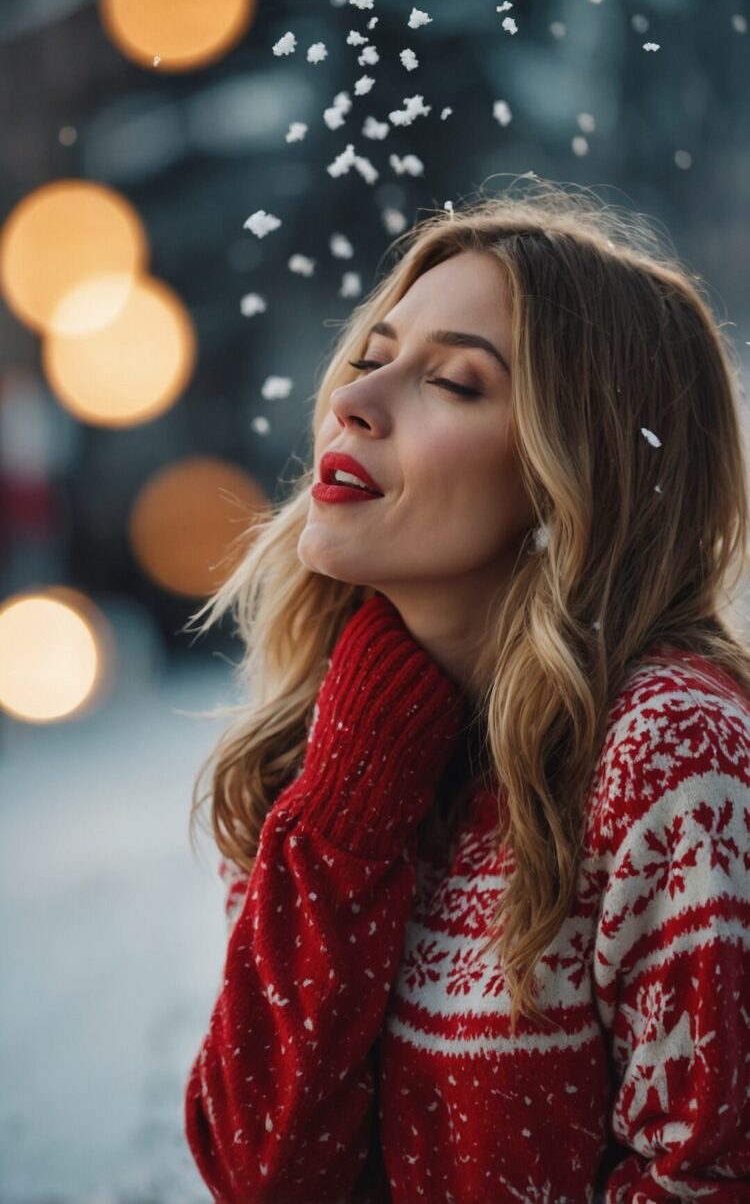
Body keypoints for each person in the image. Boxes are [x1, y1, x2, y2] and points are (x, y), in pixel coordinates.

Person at [183, 179, 750, 1202]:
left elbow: (710, 1178)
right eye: (371, 356)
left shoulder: (676, 757)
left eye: (453, 382)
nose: (355, 399)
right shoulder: (314, 757)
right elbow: (261, 1173)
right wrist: (351, 803)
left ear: (582, 470)